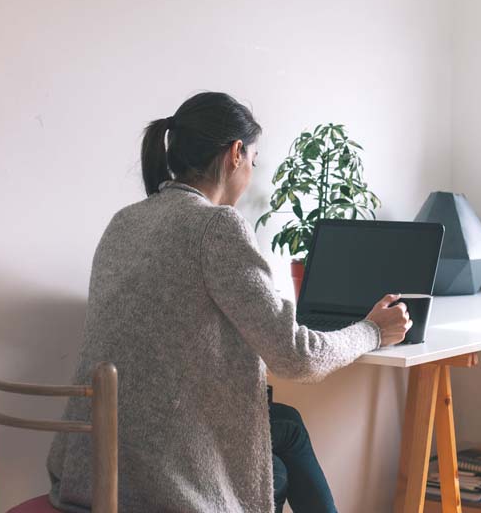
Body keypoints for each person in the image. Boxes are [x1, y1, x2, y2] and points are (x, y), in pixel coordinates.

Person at [46, 92, 412, 513]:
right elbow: (297, 358)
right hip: (156, 482)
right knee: (278, 464)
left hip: (90, 467)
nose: (252, 173)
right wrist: (373, 331)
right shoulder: (215, 226)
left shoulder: (125, 221)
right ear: (236, 154)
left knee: (286, 426)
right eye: (254, 160)